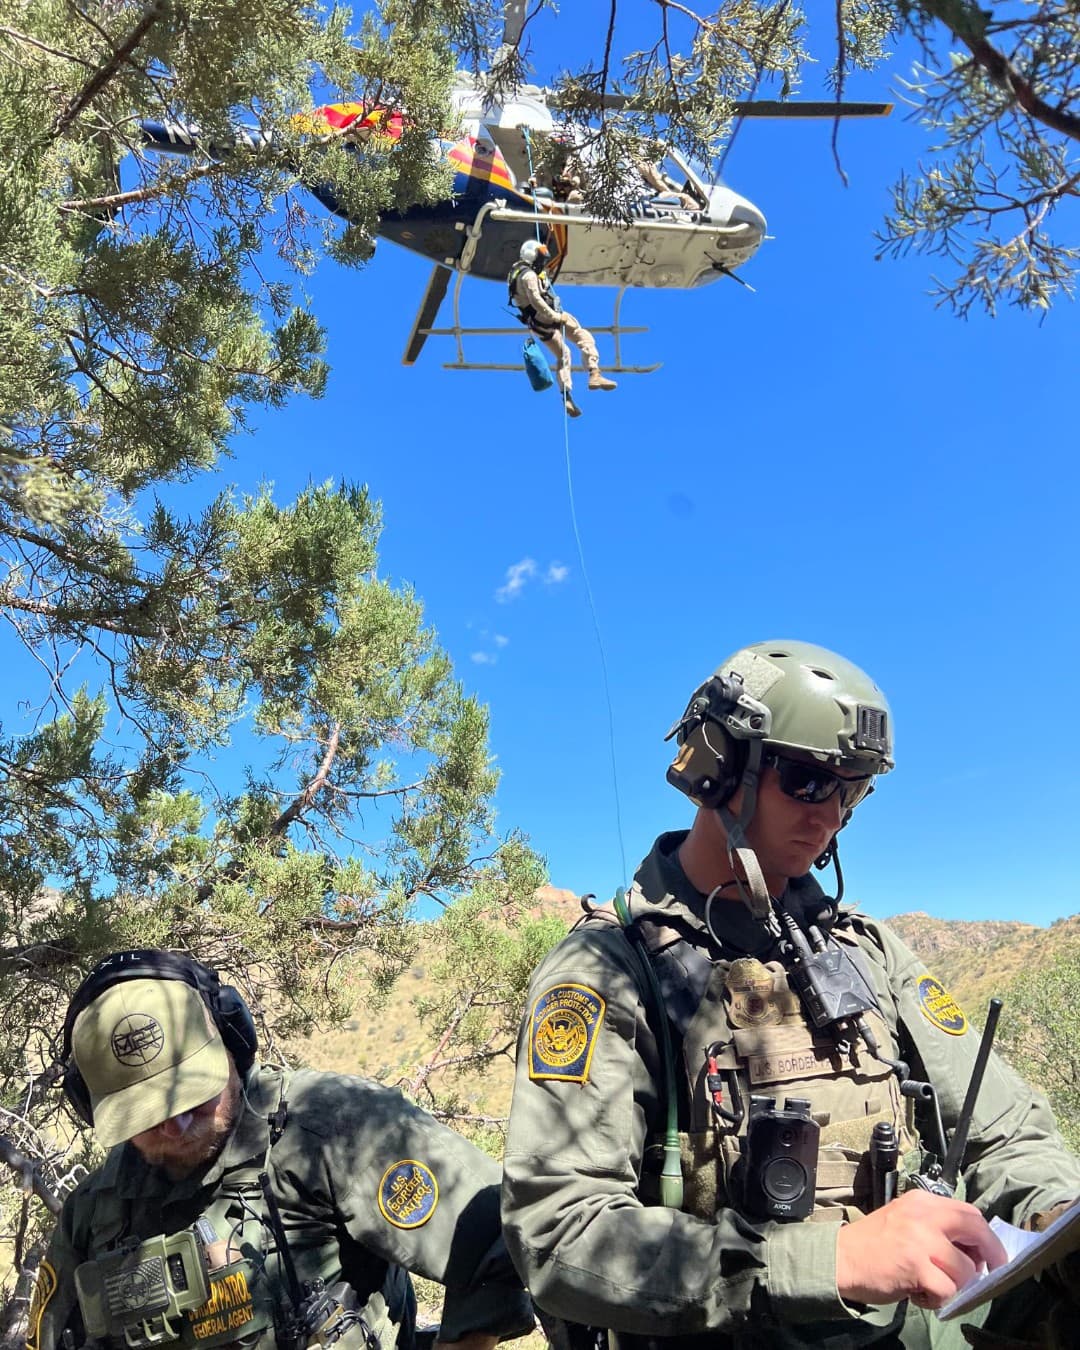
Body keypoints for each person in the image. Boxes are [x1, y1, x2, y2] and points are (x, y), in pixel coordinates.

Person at [502, 640, 1080, 1349]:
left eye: (854, 788)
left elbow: (1006, 1128)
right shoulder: (612, 969)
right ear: (719, 767)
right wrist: (831, 1262)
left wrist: (1054, 1207)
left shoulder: (865, 951)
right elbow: (558, 1229)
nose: (831, 814)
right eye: (807, 780)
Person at [28, 950, 533, 1350]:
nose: (179, 1124)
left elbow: (498, 1234)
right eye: (148, 1116)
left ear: (233, 1040)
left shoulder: (334, 1127)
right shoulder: (93, 1213)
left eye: (194, 1094)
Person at [508, 240, 616, 419]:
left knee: (563, 354)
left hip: (537, 325)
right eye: (540, 259)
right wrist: (556, 317)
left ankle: (567, 397)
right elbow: (536, 300)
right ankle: (594, 372)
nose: (541, 263)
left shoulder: (516, 271)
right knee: (583, 336)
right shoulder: (528, 276)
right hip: (546, 317)